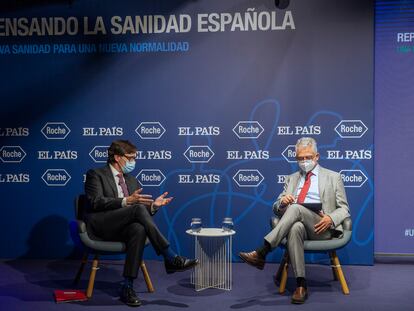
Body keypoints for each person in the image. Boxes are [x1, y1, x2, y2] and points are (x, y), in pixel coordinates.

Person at [84, 140, 197, 307]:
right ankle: (170, 256)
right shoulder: (96, 174)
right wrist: (125, 201)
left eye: (135, 158)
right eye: (130, 158)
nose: (133, 162)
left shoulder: (131, 180)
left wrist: (153, 206)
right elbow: (95, 202)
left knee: (138, 229)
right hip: (101, 225)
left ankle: (127, 287)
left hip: (123, 227)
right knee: (136, 209)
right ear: (117, 157)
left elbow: (139, 210)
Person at [239, 137, 350, 304]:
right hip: (298, 225)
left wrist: (330, 218)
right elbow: (276, 207)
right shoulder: (291, 178)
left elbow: (344, 208)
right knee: (295, 226)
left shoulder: (333, 177)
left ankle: (263, 251)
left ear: (317, 156)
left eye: (308, 157)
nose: (304, 161)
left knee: (296, 208)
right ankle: (300, 285)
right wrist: (282, 203)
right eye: (300, 158)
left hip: (321, 227)